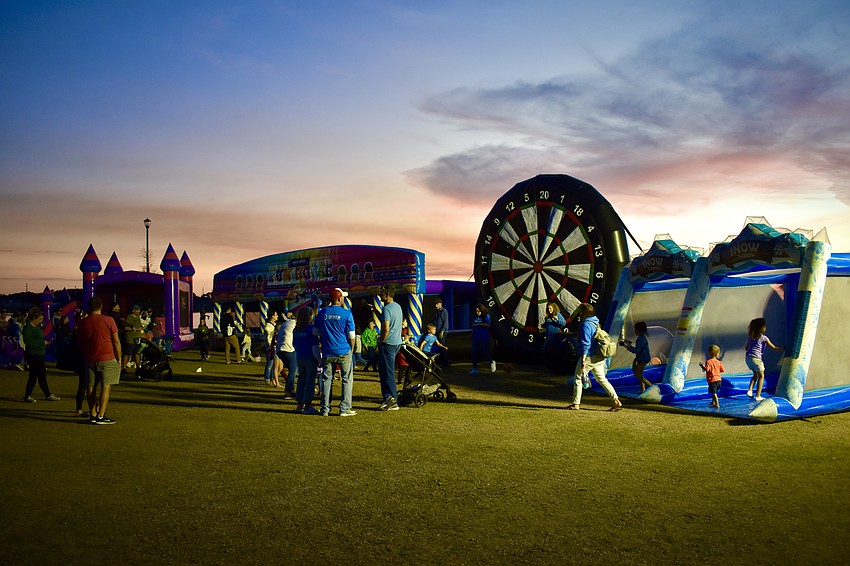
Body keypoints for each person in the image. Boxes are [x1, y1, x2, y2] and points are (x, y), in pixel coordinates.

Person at [566, 303, 622, 412]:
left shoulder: (586, 325)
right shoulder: (595, 321)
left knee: (577, 379)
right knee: (602, 379)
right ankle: (616, 400)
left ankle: (575, 404)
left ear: (584, 313)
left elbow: (585, 344)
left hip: (589, 356)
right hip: (599, 355)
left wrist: (583, 359)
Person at [76, 296, 122, 424]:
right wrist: (119, 358)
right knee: (106, 386)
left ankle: (93, 413)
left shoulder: (83, 322)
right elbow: (116, 341)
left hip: (90, 358)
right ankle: (101, 415)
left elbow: (81, 342)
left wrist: (86, 355)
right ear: (101, 306)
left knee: (90, 387)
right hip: (107, 357)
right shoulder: (109, 320)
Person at [314, 288, 357, 417]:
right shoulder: (347, 314)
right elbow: (352, 336)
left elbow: (316, 332)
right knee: (346, 379)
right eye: (343, 297)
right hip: (343, 350)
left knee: (327, 380)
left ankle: (325, 409)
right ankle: (344, 408)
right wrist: (352, 349)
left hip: (327, 351)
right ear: (339, 298)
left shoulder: (322, 313)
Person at [22, 311, 59, 402]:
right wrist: (42, 343)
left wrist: (44, 343)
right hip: (33, 355)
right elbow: (28, 341)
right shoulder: (28, 328)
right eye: (39, 319)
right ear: (34, 318)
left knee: (38, 376)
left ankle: (44, 394)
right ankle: (32, 395)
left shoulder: (37, 327)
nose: (41, 321)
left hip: (40, 354)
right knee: (36, 376)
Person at [744, 317, 784, 402]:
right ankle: (758, 395)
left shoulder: (751, 336)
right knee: (761, 376)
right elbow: (774, 347)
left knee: (755, 375)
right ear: (762, 328)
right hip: (757, 359)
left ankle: (750, 391)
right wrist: (782, 348)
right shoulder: (764, 338)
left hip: (748, 358)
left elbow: (746, 348)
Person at [377, 285, 403, 411]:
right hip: (396, 342)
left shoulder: (386, 309)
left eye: (382, 293)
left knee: (387, 372)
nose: (380, 295)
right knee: (388, 370)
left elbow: (386, 328)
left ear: (387, 294)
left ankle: (391, 399)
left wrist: (381, 341)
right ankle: (390, 399)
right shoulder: (397, 306)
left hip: (388, 343)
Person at [293, 308, 321, 414]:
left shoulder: (296, 329)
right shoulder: (311, 329)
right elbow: (315, 347)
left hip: (300, 356)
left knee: (301, 380)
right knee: (310, 382)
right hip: (310, 357)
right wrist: (319, 359)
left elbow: (294, 344)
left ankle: (299, 404)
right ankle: (308, 405)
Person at [621, 321, 653, 393]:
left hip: (643, 359)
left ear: (638, 330)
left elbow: (637, 350)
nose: (634, 331)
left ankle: (650, 386)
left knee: (637, 374)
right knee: (639, 374)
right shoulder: (641, 338)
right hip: (642, 358)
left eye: (635, 329)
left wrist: (628, 347)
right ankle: (643, 390)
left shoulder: (640, 339)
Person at [276, 311, 298, 398]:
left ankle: (291, 389)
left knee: (291, 369)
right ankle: (289, 391)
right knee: (293, 370)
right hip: (288, 349)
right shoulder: (296, 324)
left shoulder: (286, 323)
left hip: (280, 349)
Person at [469, 304, 495, 374]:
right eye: (476, 311)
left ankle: (491, 361)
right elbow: (473, 326)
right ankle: (474, 368)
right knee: (474, 352)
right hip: (476, 336)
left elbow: (488, 325)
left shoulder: (486, 316)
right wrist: (471, 334)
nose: (477, 312)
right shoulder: (474, 317)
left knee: (484, 351)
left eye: (478, 311)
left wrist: (480, 324)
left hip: (484, 336)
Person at [700, 344, 725, 408]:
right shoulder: (719, 362)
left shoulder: (708, 362)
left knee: (714, 393)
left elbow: (707, 369)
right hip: (719, 380)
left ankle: (717, 404)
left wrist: (702, 366)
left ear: (710, 353)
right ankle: (713, 402)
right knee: (714, 392)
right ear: (717, 354)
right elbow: (722, 370)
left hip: (712, 380)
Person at [122, 304, 144, 372]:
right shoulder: (129, 317)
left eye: (139, 310)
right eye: (137, 310)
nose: (139, 311)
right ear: (133, 310)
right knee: (128, 353)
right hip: (130, 339)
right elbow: (126, 327)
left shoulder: (138, 317)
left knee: (137, 353)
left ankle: (138, 367)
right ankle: (124, 368)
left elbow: (140, 327)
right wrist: (135, 329)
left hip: (137, 339)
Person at [262, 311, 279, 385]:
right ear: (272, 316)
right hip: (270, 347)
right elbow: (268, 338)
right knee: (270, 363)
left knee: (273, 364)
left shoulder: (274, 325)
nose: (277, 316)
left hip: (274, 346)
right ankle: (267, 378)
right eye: (276, 315)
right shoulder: (268, 326)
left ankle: (272, 378)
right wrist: (270, 346)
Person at [433, 298, 451, 366]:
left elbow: (445, 322)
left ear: (440, 304)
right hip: (437, 331)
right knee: (439, 345)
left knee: (442, 346)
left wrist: (442, 331)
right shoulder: (438, 312)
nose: (436, 306)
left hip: (442, 331)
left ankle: (445, 361)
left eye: (437, 304)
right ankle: (442, 360)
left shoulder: (444, 311)